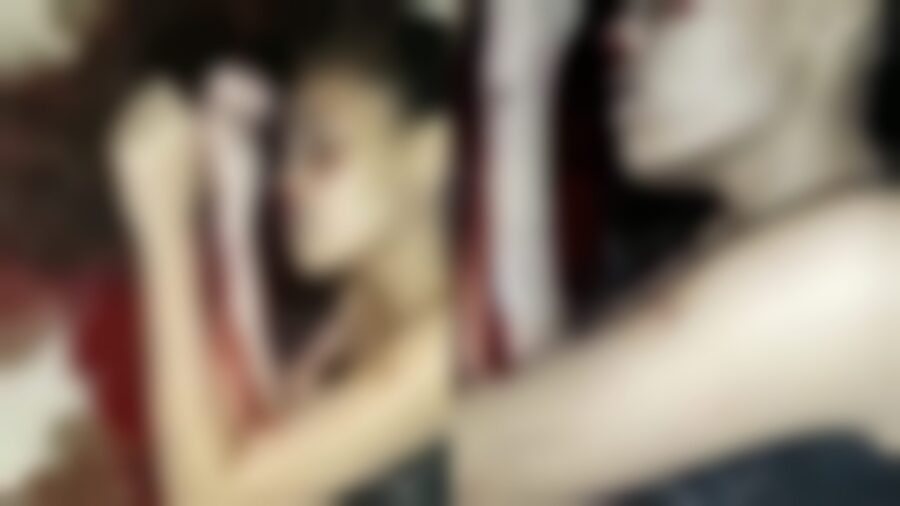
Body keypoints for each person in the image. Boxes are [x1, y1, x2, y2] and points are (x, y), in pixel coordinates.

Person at [458, 0, 899, 502]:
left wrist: (517, 62)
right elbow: (520, 390)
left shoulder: (877, 270)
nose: (616, 34)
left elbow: (504, 455)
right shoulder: (653, 261)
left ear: (828, 15)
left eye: (667, 6)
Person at [109, 16, 453, 506]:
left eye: (322, 150)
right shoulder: (358, 302)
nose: (287, 181)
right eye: (286, 153)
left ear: (431, 155)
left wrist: (165, 233)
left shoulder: (447, 348)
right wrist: (218, 204)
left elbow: (212, 496)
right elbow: (239, 446)